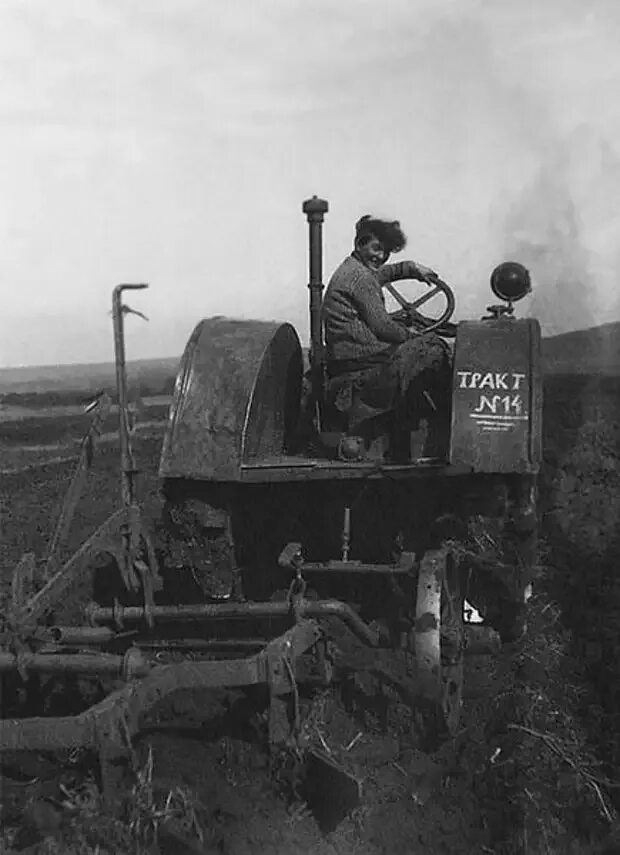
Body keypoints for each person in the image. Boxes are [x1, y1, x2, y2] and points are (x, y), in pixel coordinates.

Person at [321, 215, 452, 459]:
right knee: (433, 349)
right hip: (363, 361)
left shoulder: (353, 269)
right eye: (376, 249)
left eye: (387, 252)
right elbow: (383, 327)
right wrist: (409, 335)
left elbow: (382, 274)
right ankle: (437, 430)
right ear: (360, 244)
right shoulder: (359, 279)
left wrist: (410, 268)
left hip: (353, 356)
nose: (381, 257)